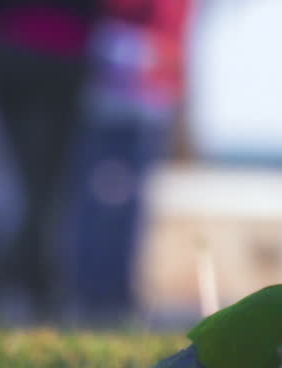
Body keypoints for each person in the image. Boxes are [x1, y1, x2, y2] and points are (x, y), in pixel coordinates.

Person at [0, 0, 100, 320]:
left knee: (14, 181)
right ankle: (32, 285)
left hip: (9, 47)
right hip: (61, 52)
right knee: (45, 183)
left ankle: (15, 284)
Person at [68, 0, 194, 320]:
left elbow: (172, 22)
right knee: (97, 197)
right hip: (112, 93)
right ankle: (92, 289)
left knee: (128, 199)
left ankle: (117, 291)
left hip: (148, 94)